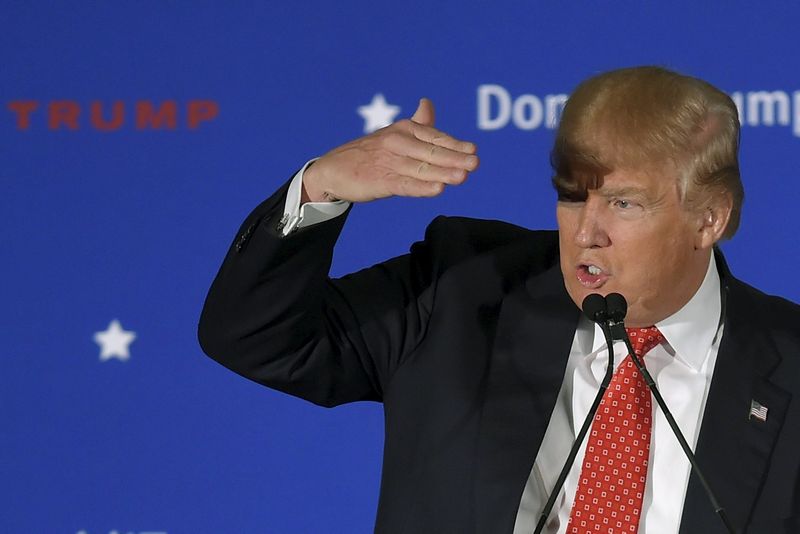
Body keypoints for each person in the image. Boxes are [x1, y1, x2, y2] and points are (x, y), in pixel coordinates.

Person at [198, 66, 800, 533]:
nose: (586, 232)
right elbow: (255, 338)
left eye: (623, 203)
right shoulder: (464, 290)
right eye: (571, 198)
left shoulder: (788, 364)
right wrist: (318, 190)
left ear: (709, 218)